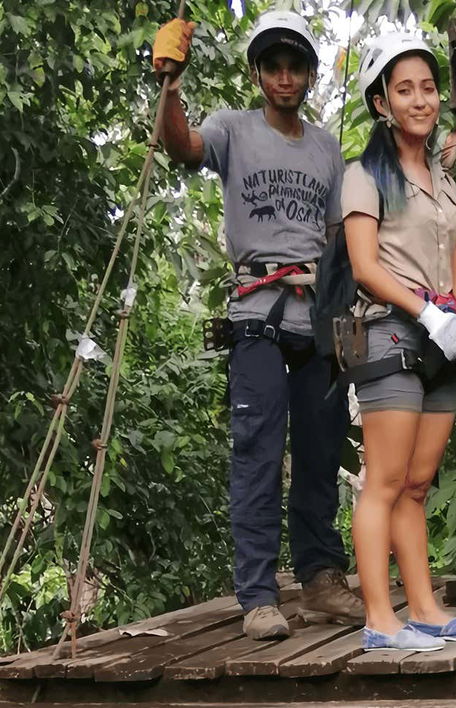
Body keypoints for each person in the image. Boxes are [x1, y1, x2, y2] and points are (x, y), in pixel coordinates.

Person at [152, 11, 364, 640]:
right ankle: (259, 594)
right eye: (273, 67)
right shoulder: (232, 129)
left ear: (310, 76)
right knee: (259, 451)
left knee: (322, 450)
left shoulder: (326, 148)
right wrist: (170, 84)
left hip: (317, 315)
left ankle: (321, 579)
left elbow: (336, 240)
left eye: (295, 67)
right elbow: (181, 146)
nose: (284, 77)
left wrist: (347, 318)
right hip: (257, 314)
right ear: (256, 74)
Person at [341, 32, 456, 652]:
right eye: (404, 90)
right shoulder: (364, 176)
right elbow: (364, 266)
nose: (421, 100)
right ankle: (380, 619)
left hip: (442, 340)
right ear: (382, 103)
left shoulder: (442, 179)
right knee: (384, 480)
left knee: (417, 483)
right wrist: (428, 312)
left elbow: (454, 258)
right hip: (390, 332)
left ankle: (426, 610)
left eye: (428, 88)